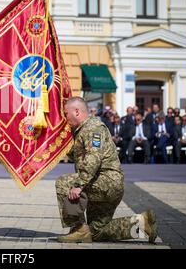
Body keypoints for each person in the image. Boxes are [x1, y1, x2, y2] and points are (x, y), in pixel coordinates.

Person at [55, 97, 157, 243]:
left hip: (106, 182)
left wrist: (79, 185)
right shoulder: (82, 130)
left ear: (77, 112)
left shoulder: (93, 128)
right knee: (95, 232)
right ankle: (143, 223)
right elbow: (76, 154)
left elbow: (93, 158)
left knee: (63, 183)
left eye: (66, 113)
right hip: (103, 184)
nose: (65, 118)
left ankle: (77, 228)